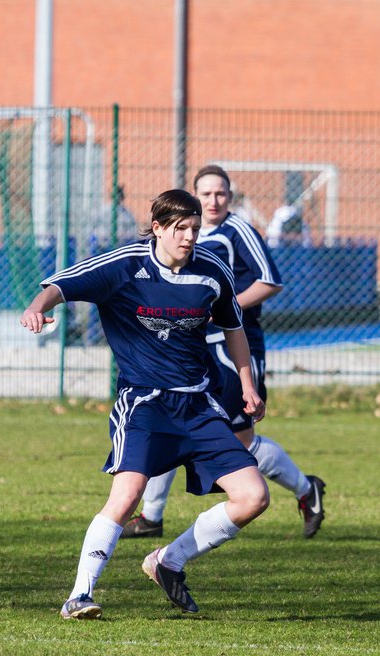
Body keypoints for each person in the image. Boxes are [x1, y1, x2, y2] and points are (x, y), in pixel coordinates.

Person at [19, 188, 270, 620]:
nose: (190, 237)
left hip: (199, 404)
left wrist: (248, 384)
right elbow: (60, 285)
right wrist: (36, 307)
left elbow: (234, 328)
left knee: (253, 497)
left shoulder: (212, 271)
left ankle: (168, 560)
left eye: (194, 229)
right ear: (157, 229)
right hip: (145, 403)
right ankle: (79, 594)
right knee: (128, 494)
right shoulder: (123, 265)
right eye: (180, 229)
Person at [123, 164, 326, 540]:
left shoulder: (237, 231)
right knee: (169, 418)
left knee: (240, 440)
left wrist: (221, 310)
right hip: (198, 350)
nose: (213, 200)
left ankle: (304, 488)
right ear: (194, 196)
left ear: (230, 198)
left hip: (237, 348)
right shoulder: (184, 236)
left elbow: (270, 281)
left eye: (221, 194)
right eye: (206, 194)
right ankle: (151, 515)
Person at [88, 183, 138, 249]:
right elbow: (94, 229)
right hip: (103, 243)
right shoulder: (103, 211)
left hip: (120, 243)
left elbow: (132, 232)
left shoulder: (126, 213)